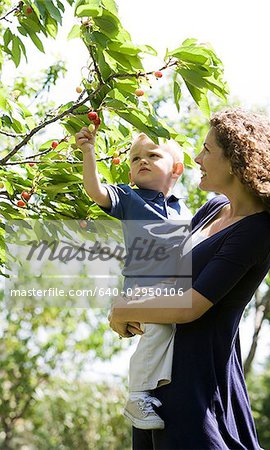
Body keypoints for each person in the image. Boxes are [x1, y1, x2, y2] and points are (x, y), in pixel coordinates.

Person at [108, 107, 270, 450]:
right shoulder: (212, 209)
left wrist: (123, 309)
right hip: (158, 377)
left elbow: (191, 306)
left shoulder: (257, 231)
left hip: (197, 383)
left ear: (235, 160)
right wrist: (135, 308)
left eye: (207, 150)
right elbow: (171, 276)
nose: (198, 158)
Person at [75, 128, 192, 430]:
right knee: (158, 331)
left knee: (171, 336)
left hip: (173, 292)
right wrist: (89, 153)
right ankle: (137, 394)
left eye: (153, 156)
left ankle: (154, 390)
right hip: (143, 289)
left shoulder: (184, 210)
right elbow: (95, 191)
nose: (142, 161)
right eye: (135, 158)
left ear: (176, 169)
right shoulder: (129, 198)